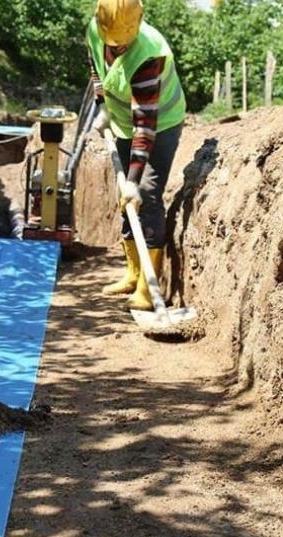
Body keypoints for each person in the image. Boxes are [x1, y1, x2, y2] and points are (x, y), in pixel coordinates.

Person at [86, 0, 186, 312]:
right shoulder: (97, 30)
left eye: (123, 41)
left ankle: (149, 286)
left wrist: (133, 180)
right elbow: (96, 67)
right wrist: (101, 104)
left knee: (145, 193)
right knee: (124, 197)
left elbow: (146, 124)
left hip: (160, 123)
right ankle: (132, 273)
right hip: (122, 122)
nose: (118, 45)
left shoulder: (148, 55)